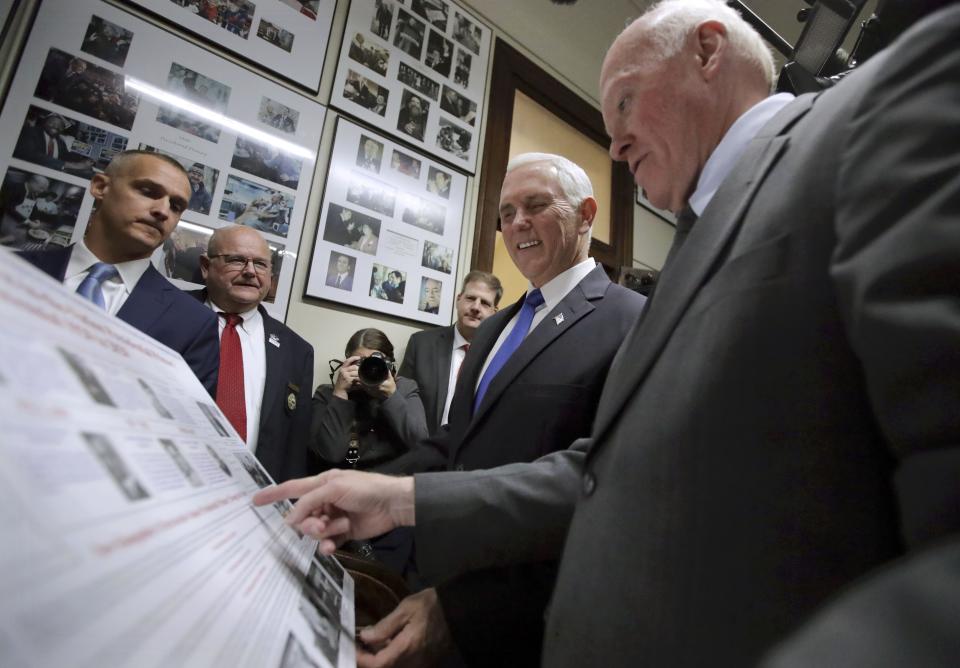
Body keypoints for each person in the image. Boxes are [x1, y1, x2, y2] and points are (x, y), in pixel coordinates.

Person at [255, 1, 960, 666]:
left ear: (708, 52)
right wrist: (399, 497)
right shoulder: (688, 250)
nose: (615, 142)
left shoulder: (881, 108)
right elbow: (605, 475)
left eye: (624, 101)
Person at [350, 152, 647, 665]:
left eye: (536, 205)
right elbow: (453, 443)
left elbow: (604, 493)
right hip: (437, 579)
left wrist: (470, 608)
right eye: (506, 213)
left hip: (525, 615)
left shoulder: (633, 320)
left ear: (586, 214)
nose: (517, 224)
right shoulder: (492, 330)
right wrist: (365, 492)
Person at [18, 150, 218, 396]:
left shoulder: (193, 322)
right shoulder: (11, 269)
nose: (163, 211)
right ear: (101, 186)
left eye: (175, 206)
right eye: (147, 192)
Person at [192, 225, 316, 482]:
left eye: (260, 264)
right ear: (206, 266)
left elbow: (294, 447)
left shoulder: (297, 351)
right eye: (236, 260)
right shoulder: (170, 312)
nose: (250, 271)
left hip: (252, 499)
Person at [311, 328, 428, 473]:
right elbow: (331, 454)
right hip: (341, 484)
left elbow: (421, 443)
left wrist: (391, 396)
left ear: (391, 367)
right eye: (360, 363)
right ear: (346, 364)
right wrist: (341, 393)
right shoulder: (327, 394)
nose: (370, 369)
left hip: (390, 486)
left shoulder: (403, 389)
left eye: (376, 363)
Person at [399, 270, 501, 433]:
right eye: (470, 298)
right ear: (458, 300)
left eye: (485, 303)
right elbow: (401, 402)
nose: (475, 307)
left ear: (494, 313)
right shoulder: (421, 344)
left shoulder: (500, 357)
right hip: (421, 448)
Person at [13, 113, 94, 177]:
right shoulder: (31, 132)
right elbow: (33, 155)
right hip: (26, 172)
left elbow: (66, 156)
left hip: (50, 174)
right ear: (44, 122)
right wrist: (71, 165)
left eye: (60, 125)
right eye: (52, 122)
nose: (56, 126)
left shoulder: (59, 141)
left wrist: (84, 160)